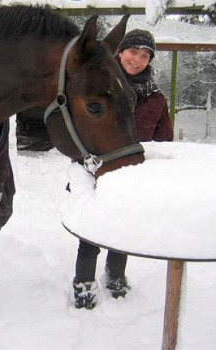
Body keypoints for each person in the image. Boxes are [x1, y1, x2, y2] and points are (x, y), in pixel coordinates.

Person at [72, 28, 174, 309]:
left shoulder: (155, 98)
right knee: (90, 232)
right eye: (132, 51)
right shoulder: (97, 85)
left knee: (122, 229)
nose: (137, 59)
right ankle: (83, 283)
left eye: (144, 55)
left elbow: (164, 139)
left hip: (132, 174)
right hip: (97, 168)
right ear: (120, 52)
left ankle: (115, 277)